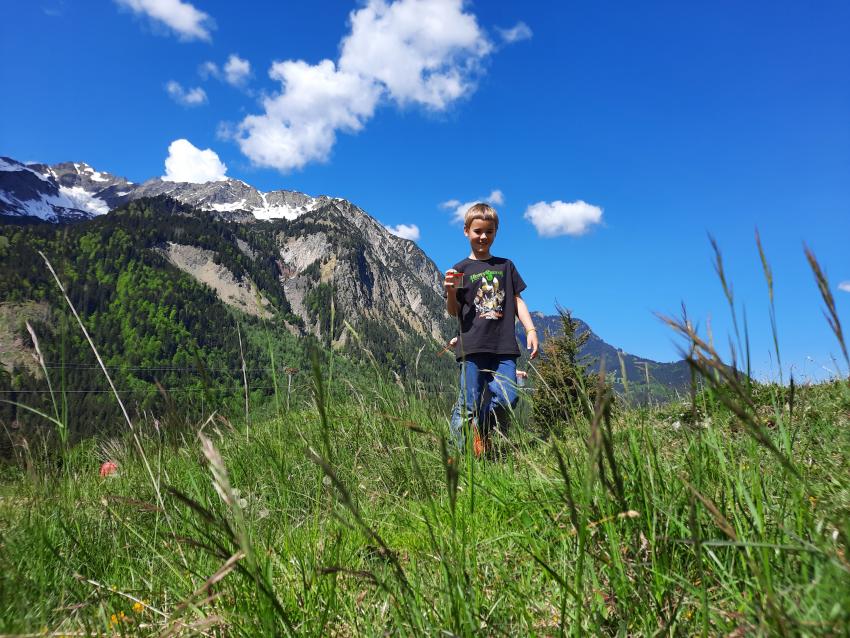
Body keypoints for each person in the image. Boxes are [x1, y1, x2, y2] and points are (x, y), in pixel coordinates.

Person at [444, 202, 538, 456]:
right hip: (472, 346)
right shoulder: (460, 269)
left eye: (489, 231)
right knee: (468, 404)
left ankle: (481, 430)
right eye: (477, 231)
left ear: (496, 232)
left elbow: (517, 300)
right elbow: (453, 311)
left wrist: (530, 330)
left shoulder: (506, 266)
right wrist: (451, 291)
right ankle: (458, 456)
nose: (483, 236)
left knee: (509, 396)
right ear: (466, 231)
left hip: (504, 347)